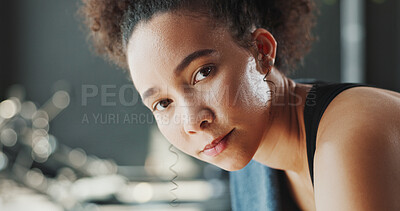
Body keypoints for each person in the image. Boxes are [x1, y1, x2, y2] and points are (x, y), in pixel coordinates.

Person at [79, 0, 400, 210]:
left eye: (202, 73)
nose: (192, 121)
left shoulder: (350, 136)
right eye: (163, 103)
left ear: (261, 51)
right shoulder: (253, 164)